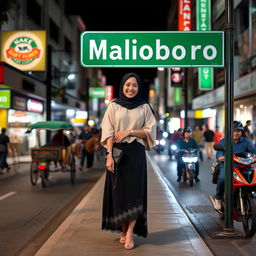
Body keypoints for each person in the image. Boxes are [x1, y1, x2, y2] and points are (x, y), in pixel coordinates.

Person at [101, 73, 156, 250]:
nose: (131, 88)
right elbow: (108, 132)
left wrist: (130, 131)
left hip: (136, 154)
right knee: (119, 194)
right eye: (127, 85)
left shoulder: (144, 107)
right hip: (117, 153)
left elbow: (150, 132)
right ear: (122, 86)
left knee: (134, 194)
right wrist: (109, 155)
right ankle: (123, 229)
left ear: (139, 87)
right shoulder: (114, 106)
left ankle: (130, 232)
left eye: (134, 85)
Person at [210, 121, 256, 211]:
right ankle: (218, 198)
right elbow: (219, 155)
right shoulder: (224, 141)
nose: (236, 133)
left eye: (238, 131)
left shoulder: (246, 141)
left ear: (241, 132)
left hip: (244, 166)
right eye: (233, 131)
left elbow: (254, 152)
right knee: (223, 178)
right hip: (227, 165)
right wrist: (222, 157)